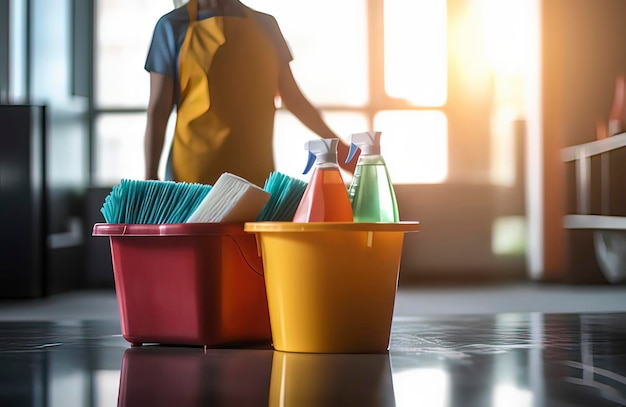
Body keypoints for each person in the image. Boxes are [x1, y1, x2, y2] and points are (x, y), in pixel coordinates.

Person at [144, 0, 357, 187]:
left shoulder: (267, 26)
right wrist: (150, 177)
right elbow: (158, 111)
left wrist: (339, 149)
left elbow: (294, 99)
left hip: (254, 177)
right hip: (192, 179)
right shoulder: (172, 27)